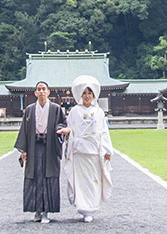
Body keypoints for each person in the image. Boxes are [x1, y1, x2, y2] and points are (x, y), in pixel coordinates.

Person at [58, 75, 113, 223]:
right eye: (84, 93)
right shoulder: (74, 111)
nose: (87, 96)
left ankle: (91, 208)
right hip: (79, 151)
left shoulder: (99, 112)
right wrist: (68, 133)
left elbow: (103, 133)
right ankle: (83, 207)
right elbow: (71, 129)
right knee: (81, 181)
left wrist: (107, 150)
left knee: (93, 180)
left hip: (94, 151)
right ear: (80, 95)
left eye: (90, 93)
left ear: (93, 95)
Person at [14, 81, 67, 224]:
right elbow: (24, 130)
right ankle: (37, 211)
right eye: (39, 89)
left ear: (48, 92)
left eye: (44, 89)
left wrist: (60, 130)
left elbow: (63, 123)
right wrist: (24, 150)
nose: (42, 92)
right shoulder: (30, 109)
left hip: (50, 147)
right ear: (35, 93)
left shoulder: (56, 109)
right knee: (35, 177)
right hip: (34, 147)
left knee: (48, 178)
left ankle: (46, 211)